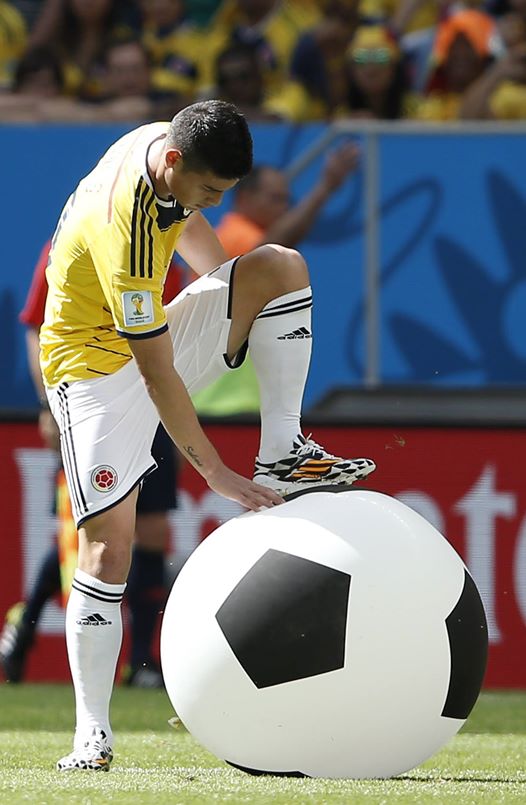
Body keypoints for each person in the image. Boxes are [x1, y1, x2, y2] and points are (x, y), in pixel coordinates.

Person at [39, 99, 376, 771]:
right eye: (212, 190)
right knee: (110, 547)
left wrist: (226, 295)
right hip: (92, 376)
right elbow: (157, 370)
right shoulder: (126, 232)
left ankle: (282, 449)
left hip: (145, 343)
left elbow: (188, 223)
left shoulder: (166, 151)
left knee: (277, 266)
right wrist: (217, 473)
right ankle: (91, 737)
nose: (216, 202)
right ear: (173, 162)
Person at [0, 240, 182, 689]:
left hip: (150, 404)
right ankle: (24, 625)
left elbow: (169, 335)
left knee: (153, 528)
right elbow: (36, 325)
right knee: (89, 526)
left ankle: (140, 660)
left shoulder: (168, 256)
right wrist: (49, 403)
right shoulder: (72, 243)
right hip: (89, 402)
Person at [192, 142, 360, 415]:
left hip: (239, 401)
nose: (283, 208)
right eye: (275, 198)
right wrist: (324, 189)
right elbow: (276, 247)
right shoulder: (234, 234)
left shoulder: (247, 239)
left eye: (286, 199)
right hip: (219, 403)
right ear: (244, 198)